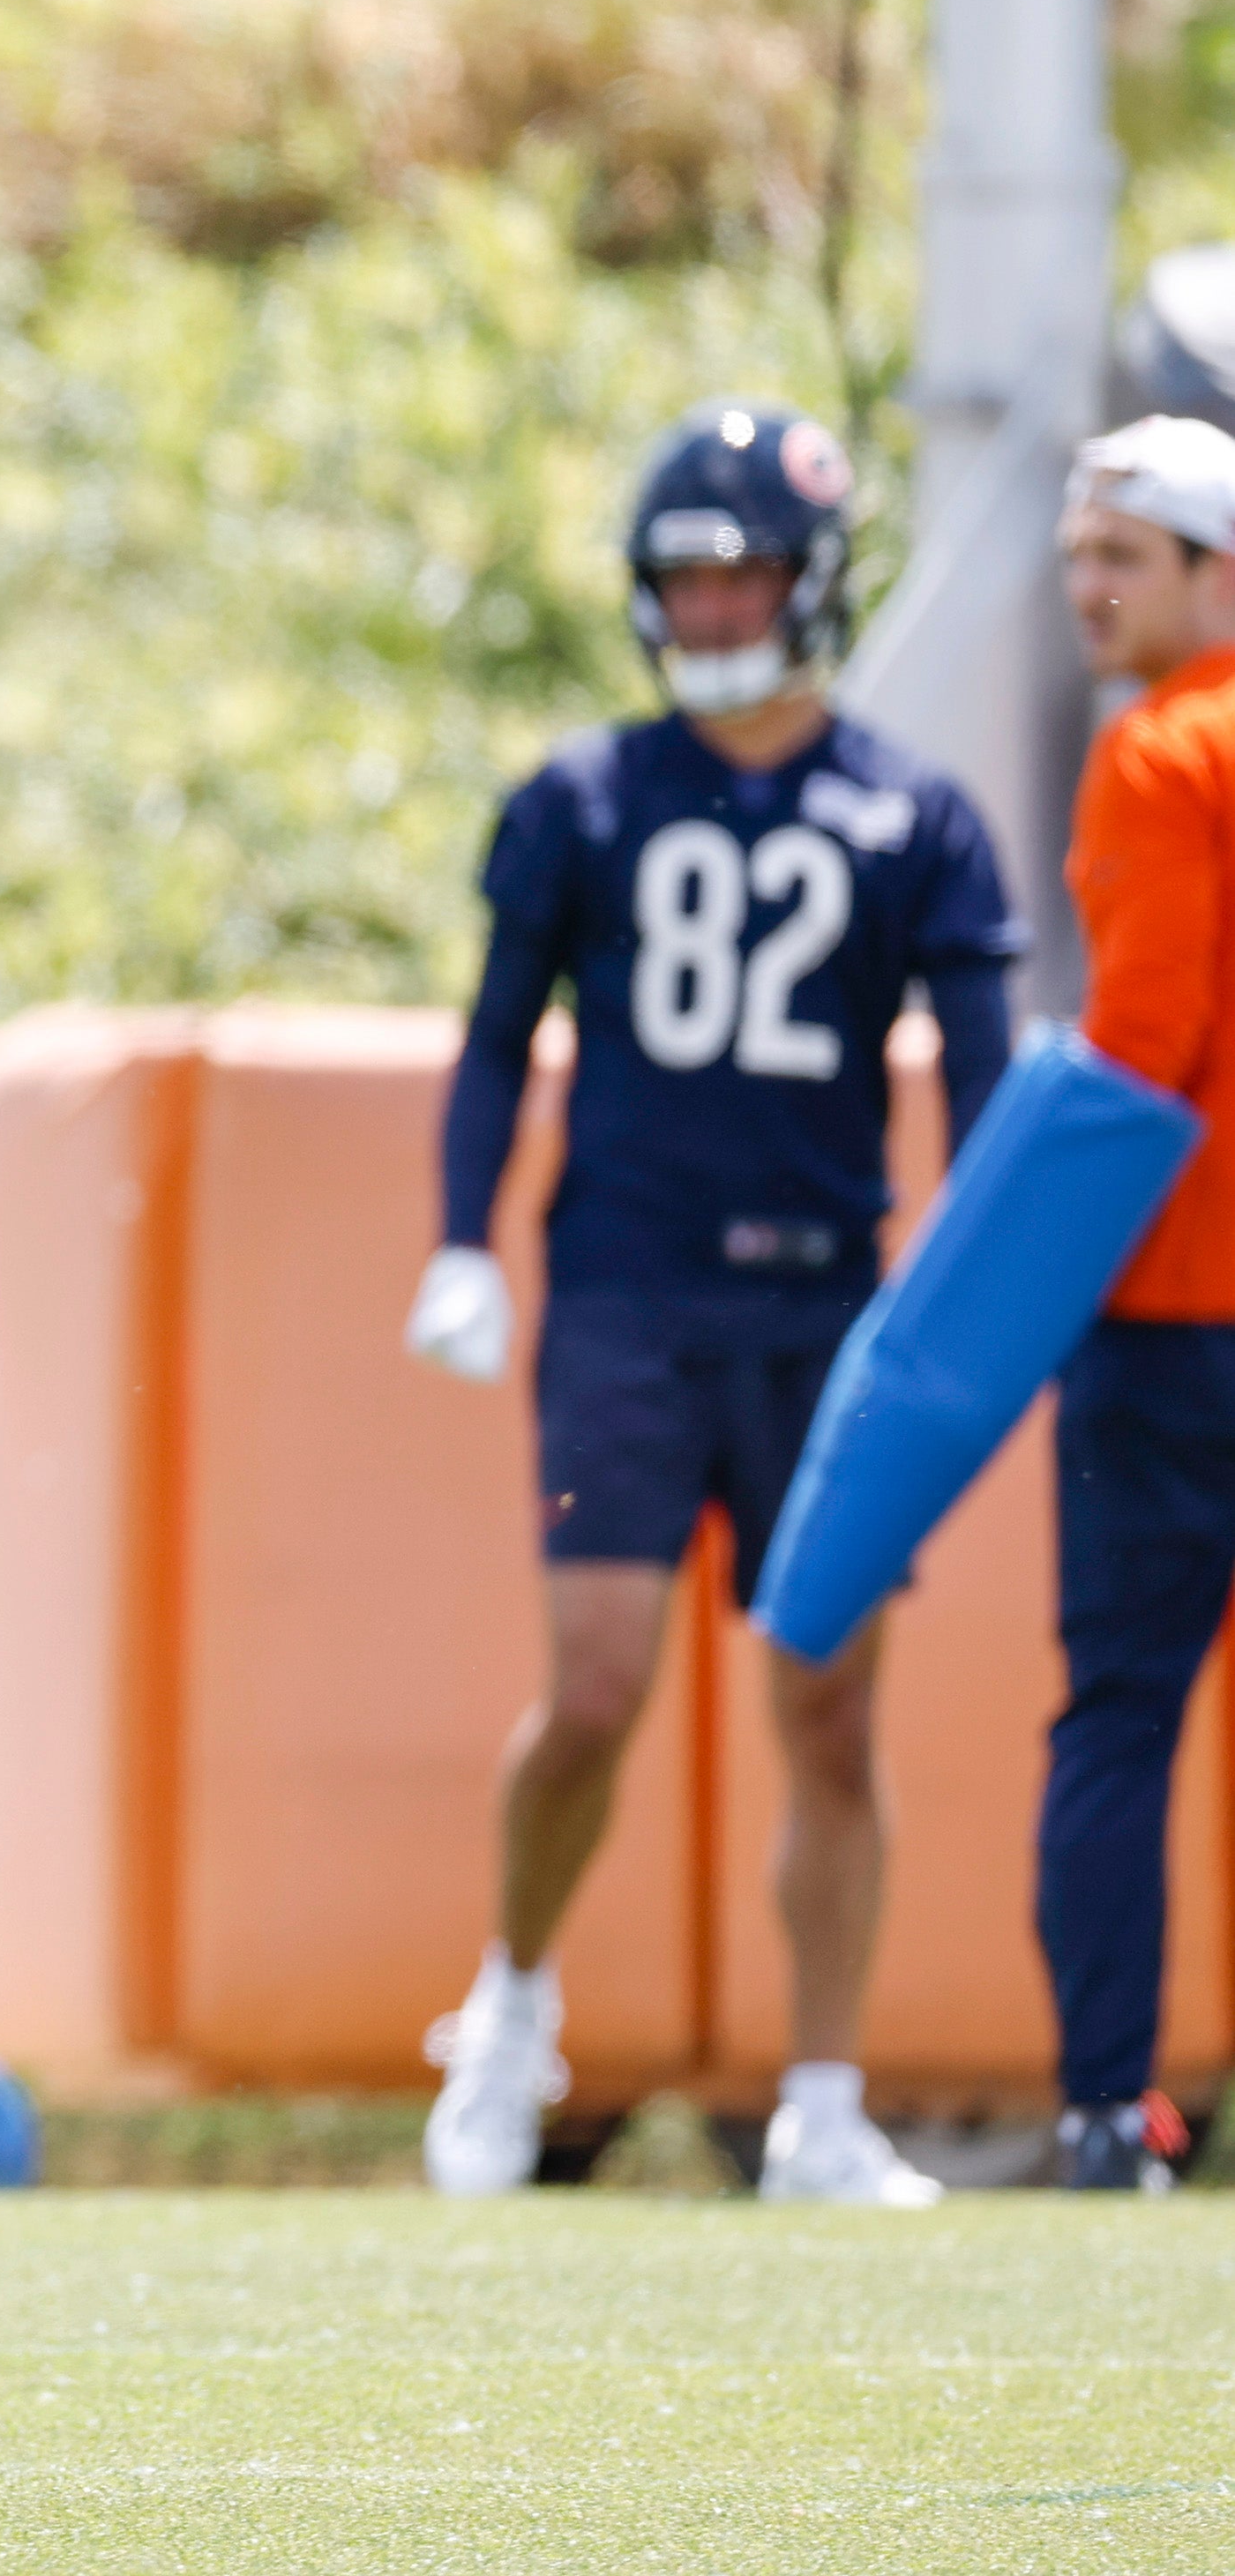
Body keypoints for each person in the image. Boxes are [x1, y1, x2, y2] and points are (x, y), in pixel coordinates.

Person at [407, 399, 1024, 2205]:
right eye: (683, 576)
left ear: (817, 580)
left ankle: (823, 2101)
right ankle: (512, 2004)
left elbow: (987, 1087)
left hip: (828, 1315)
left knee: (828, 1710)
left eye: (742, 569)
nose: (709, 604)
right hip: (627, 1297)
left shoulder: (911, 814)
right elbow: (498, 1040)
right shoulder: (585, 798)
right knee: (593, 1689)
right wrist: (462, 1237)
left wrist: (976, 1293)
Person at [1036, 415, 1235, 2192]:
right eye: (1080, 556)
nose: (1089, 588)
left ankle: (1109, 2103)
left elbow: (1142, 1056)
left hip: (1181, 1310)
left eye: (1128, 557)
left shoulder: (1166, 754)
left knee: (1121, 1713)